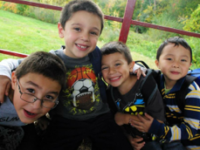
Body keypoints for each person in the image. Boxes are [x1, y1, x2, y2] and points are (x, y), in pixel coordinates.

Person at [0, 0, 134, 149]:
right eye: (77, 29)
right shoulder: (53, 59)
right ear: (61, 30)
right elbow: (17, 64)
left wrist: (136, 68)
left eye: (93, 32)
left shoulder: (96, 55)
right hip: (66, 120)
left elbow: (120, 61)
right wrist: (3, 74)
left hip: (100, 117)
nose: (85, 37)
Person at [130, 37, 200, 150]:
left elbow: (190, 131)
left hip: (190, 144)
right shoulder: (156, 79)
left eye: (183, 60)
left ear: (189, 65)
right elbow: (132, 66)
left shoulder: (192, 91)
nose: (176, 64)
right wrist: (136, 68)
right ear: (157, 63)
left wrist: (155, 128)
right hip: (165, 136)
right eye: (169, 59)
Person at [100, 41, 166, 150]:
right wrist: (129, 137)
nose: (111, 71)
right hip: (132, 138)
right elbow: (115, 122)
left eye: (117, 64)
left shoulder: (145, 83)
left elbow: (158, 120)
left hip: (154, 138)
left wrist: (126, 118)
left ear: (131, 66)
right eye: (105, 67)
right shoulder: (110, 93)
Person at [0, 51, 66, 150]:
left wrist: (42, 117)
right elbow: (13, 63)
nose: (36, 106)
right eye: (31, 90)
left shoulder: (52, 104)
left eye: (48, 97)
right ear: (14, 81)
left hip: (23, 126)